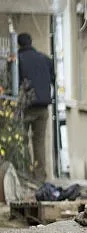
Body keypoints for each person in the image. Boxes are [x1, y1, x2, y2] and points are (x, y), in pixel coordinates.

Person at [14, 33, 54, 180]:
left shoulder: (19, 60)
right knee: (39, 142)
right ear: (31, 42)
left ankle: (26, 174)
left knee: (23, 140)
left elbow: (15, 82)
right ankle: (40, 176)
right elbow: (53, 78)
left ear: (18, 44)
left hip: (26, 106)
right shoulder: (45, 59)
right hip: (43, 107)